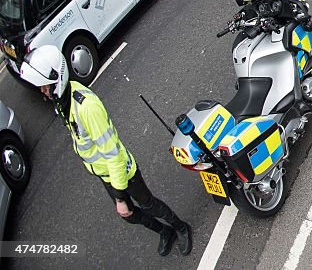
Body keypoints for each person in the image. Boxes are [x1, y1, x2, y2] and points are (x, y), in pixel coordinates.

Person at [19, 46, 193, 257]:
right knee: (128, 214)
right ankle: (165, 231)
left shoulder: (86, 107)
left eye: (44, 86)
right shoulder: (63, 101)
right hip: (105, 173)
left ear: (57, 78)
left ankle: (180, 227)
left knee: (148, 205)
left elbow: (113, 155)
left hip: (122, 172)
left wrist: (120, 197)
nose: (42, 91)